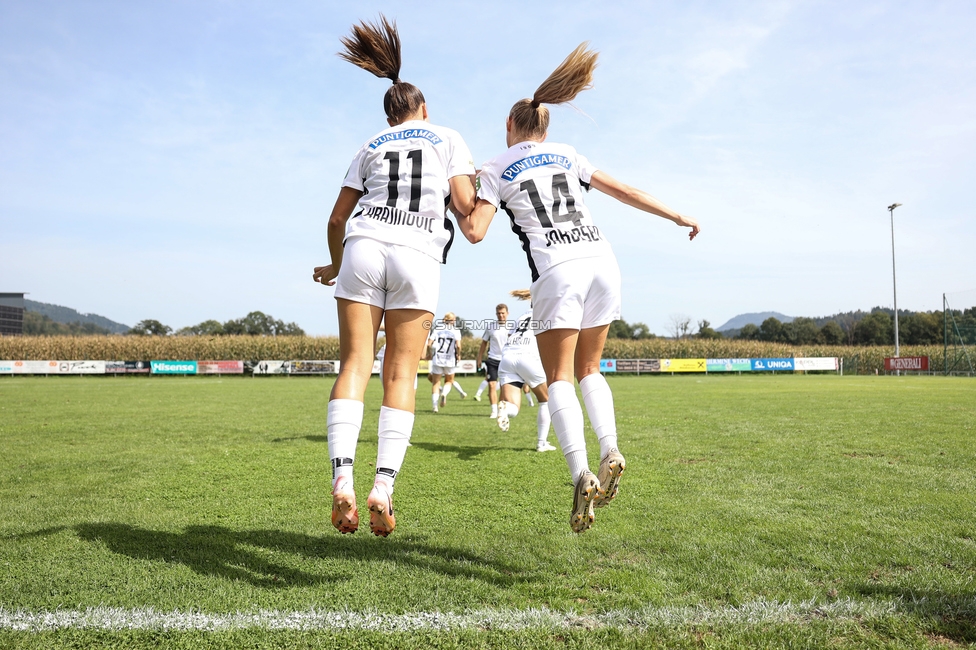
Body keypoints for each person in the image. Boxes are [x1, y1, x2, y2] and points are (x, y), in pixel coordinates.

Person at [457, 43, 700, 533]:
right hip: (602, 261)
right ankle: (610, 447)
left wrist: (454, 193)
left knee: (560, 377)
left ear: (510, 127)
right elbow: (624, 190)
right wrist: (676, 214)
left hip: (557, 268)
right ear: (547, 128)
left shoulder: (493, 167)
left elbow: (475, 231)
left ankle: (581, 473)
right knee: (591, 367)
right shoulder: (568, 154)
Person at [312, 16, 476, 537]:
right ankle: (382, 486)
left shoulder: (370, 146)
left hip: (362, 247)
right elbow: (467, 204)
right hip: (418, 253)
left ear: (389, 115)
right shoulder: (447, 136)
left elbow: (336, 219)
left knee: (355, 364)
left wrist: (337, 265)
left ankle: (342, 479)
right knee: (401, 374)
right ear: (423, 109)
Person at [495, 290, 556, 453]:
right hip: (527, 357)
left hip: (507, 357)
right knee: (546, 400)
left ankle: (504, 409)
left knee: (513, 407)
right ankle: (541, 443)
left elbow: (511, 335)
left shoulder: (521, 317)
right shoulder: (545, 316)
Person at [473, 303, 509, 417]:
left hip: (506, 360)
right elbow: (484, 343)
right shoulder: (490, 327)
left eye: (503, 313)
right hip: (492, 359)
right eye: (498, 313)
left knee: (504, 387)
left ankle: (501, 409)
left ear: (507, 313)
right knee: (492, 385)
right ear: (496, 314)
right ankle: (494, 411)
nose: (501, 315)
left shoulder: (513, 327)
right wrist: (479, 358)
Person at [426, 312, 462, 412]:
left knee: (436, 383)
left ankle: (435, 406)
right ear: (452, 320)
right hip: (450, 359)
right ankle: (444, 394)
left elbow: (429, 344)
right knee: (449, 381)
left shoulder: (437, 329)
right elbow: (458, 346)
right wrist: (458, 355)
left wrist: (430, 354)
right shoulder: (456, 330)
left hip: (437, 358)